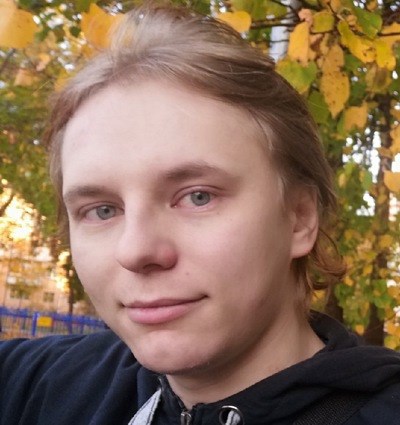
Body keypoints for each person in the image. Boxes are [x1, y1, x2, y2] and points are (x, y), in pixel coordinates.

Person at [1, 4, 400, 425]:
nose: (136, 251)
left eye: (197, 197)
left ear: (299, 217)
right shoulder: (36, 386)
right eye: (101, 210)